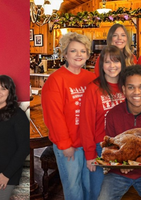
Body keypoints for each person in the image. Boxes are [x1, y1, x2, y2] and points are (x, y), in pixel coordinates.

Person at [95, 66, 141, 200]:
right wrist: (119, 165)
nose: (136, 92)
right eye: (131, 87)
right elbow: (110, 147)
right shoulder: (112, 114)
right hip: (118, 173)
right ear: (123, 89)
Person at [42, 32, 99, 200]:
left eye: (83, 51)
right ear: (65, 53)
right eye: (73, 51)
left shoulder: (91, 78)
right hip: (69, 146)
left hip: (89, 144)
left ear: (88, 54)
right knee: (73, 187)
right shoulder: (55, 80)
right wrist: (65, 144)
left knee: (90, 185)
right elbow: (54, 116)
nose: (79, 55)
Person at [80, 46, 129, 197]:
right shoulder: (93, 89)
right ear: (101, 65)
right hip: (100, 149)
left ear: (122, 63)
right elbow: (86, 124)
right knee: (98, 193)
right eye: (107, 62)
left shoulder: (127, 87)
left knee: (116, 193)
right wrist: (90, 155)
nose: (112, 66)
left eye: (116, 61)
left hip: (123, 149)